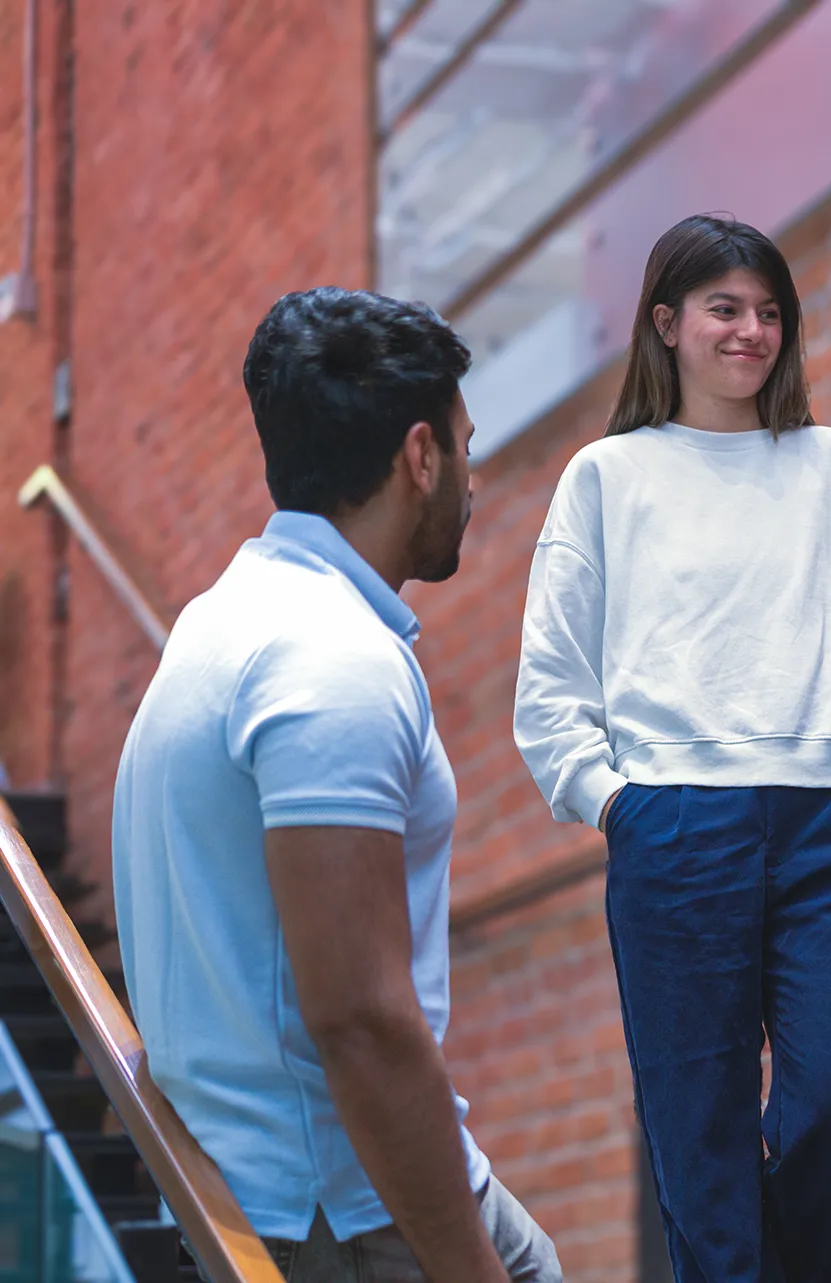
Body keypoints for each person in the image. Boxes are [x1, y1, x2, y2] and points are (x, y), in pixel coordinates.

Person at [514, 214, 831, 1283]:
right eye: (724, 308)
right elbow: (552, 682)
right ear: (666, 323)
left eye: (767, 311)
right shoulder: (606, 475)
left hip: (830, 816)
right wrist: (617, 800)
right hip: (672, 820)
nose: (751, 330)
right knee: (696, 1129)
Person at [113, 288, 561, 1283]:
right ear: (419, 457)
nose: (473, 484)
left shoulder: (218, 624)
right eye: (466, 449)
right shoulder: (332, 663)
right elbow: (359, 1017)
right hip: (340, 1213)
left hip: (257, 1188)